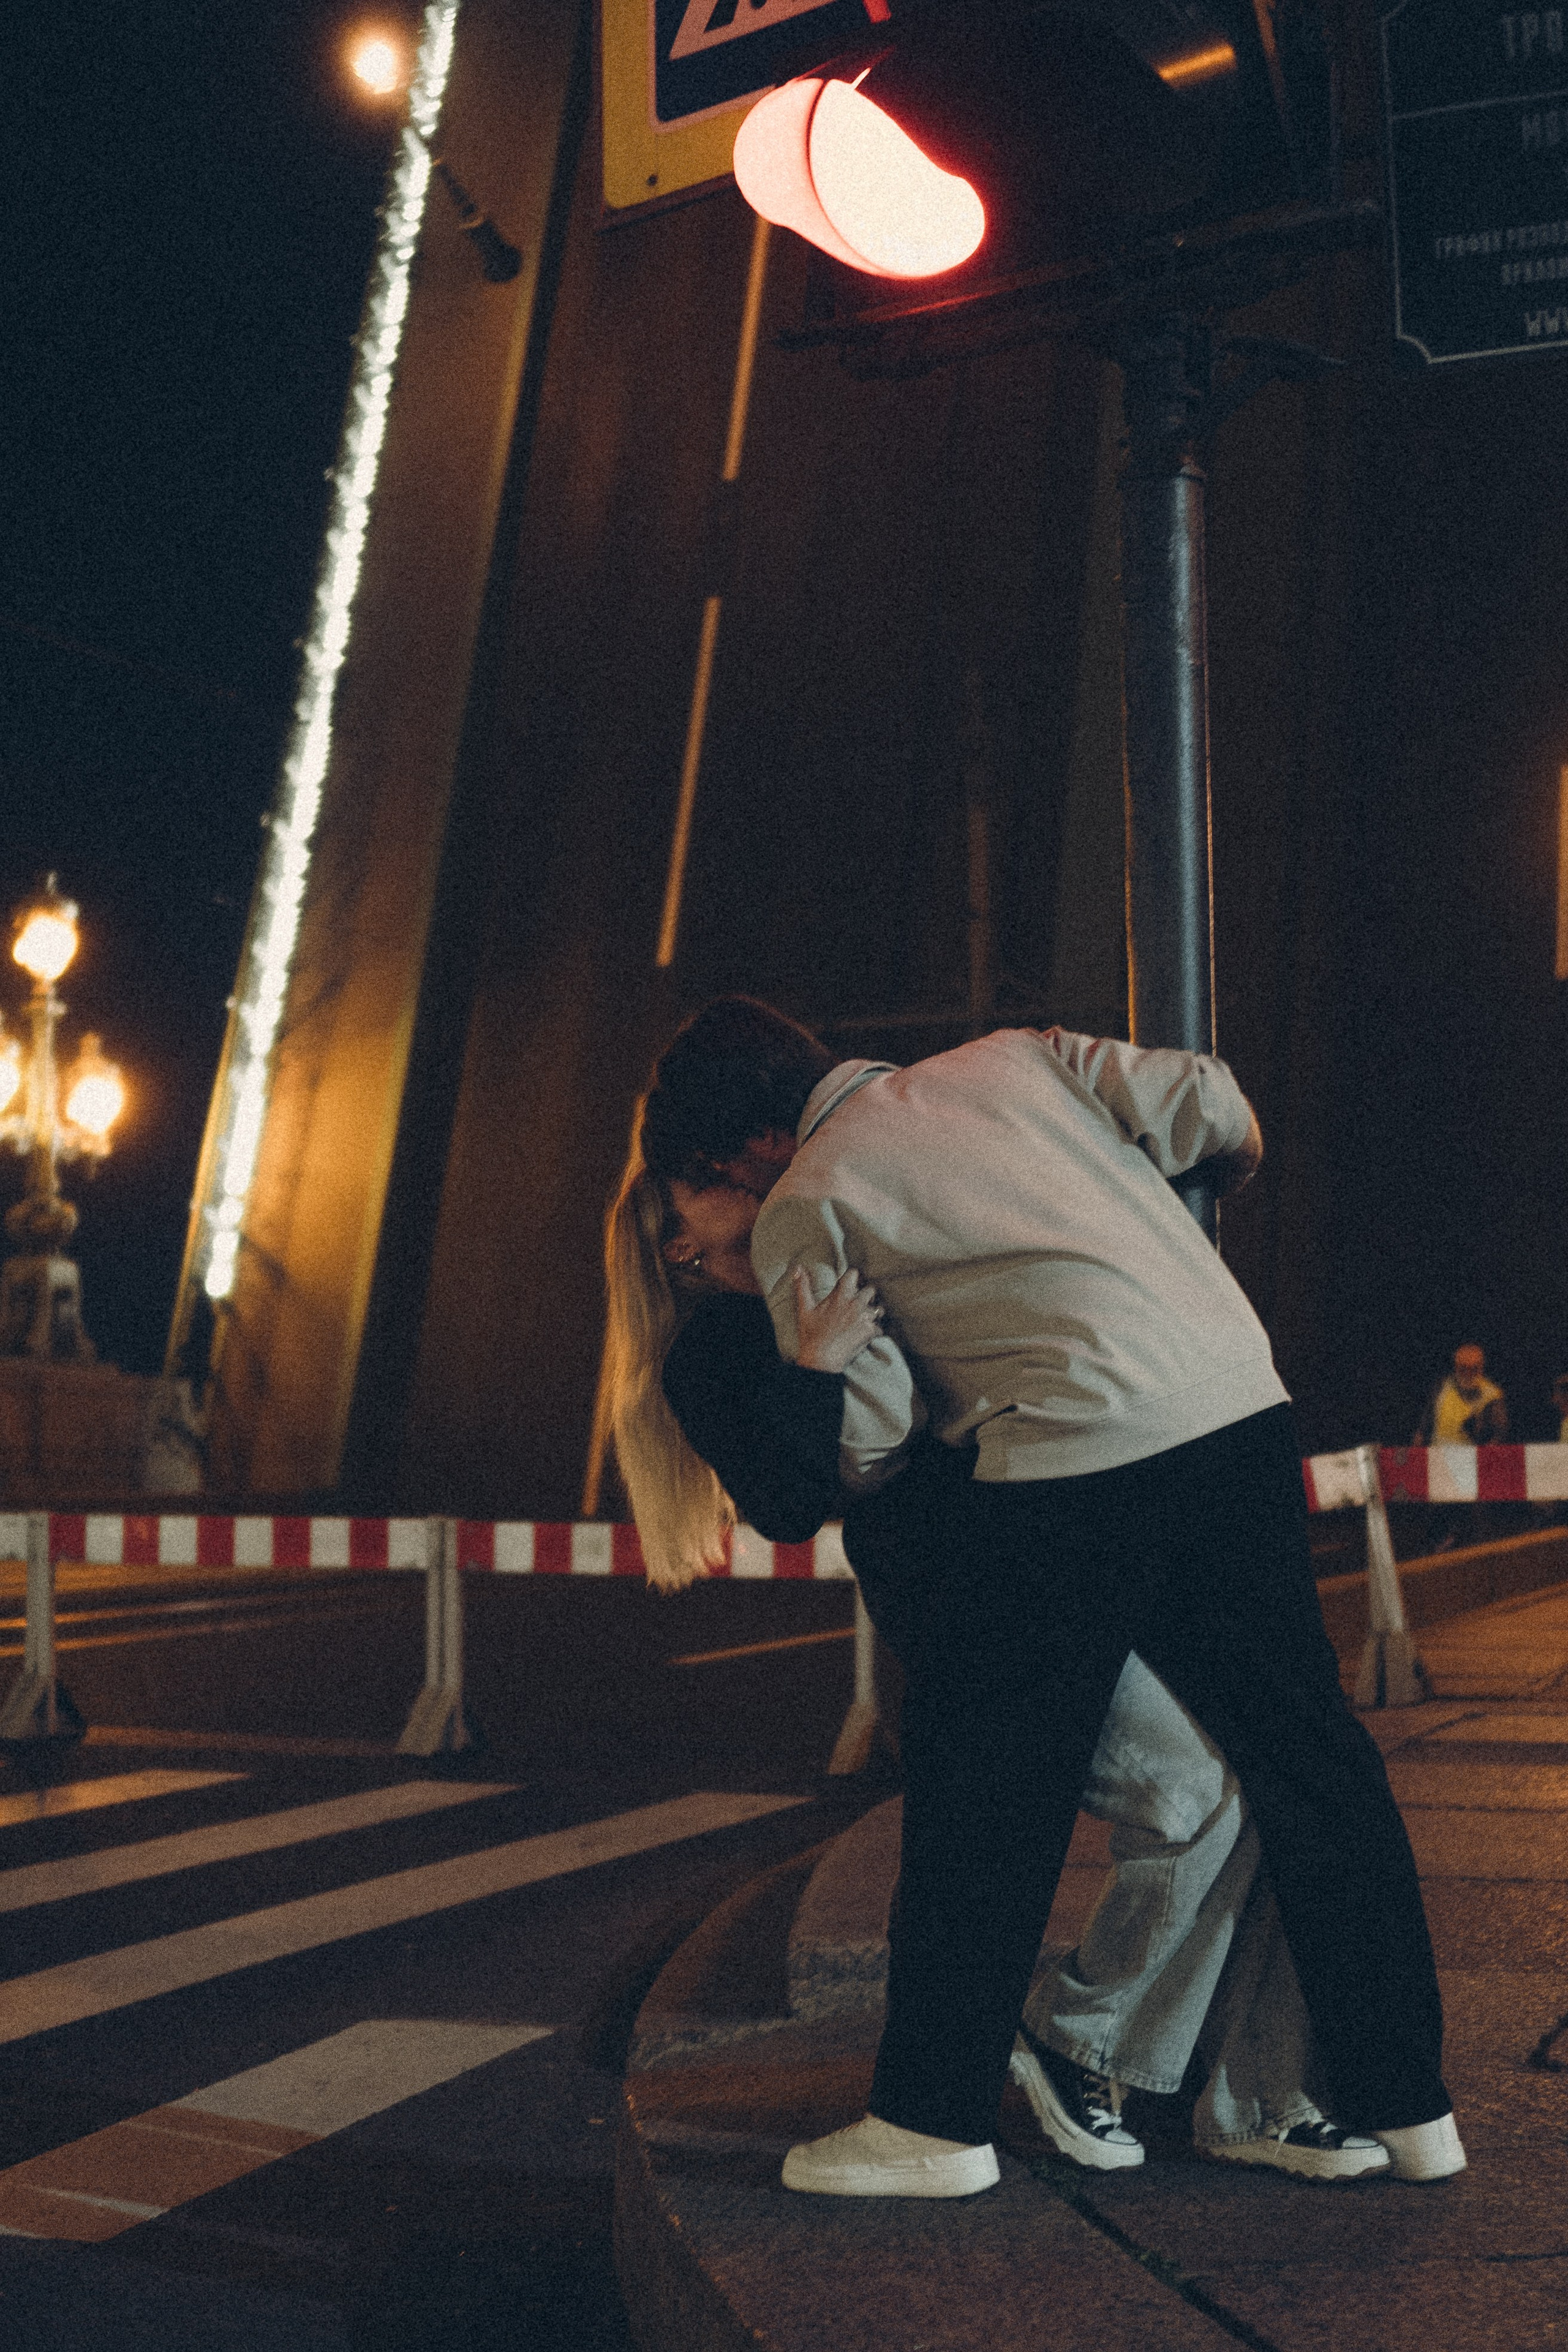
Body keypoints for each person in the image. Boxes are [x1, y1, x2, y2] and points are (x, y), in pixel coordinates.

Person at [636, 998, 1464, 2195]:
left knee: (985, 1794)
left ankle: (934, 2122)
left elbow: (868, 1443)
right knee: (1311, 1758)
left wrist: (883, 1369)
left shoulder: (812, 1196)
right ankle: (1410, 2110)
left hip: (1075, 1459)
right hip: (1238, 1402)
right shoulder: (1020, 1057)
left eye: (710, 1179)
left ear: (751, 1144)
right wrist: (1184, 1185)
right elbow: (1214, 1104)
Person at [1414, 1344, 1508, 1446]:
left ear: (1481, 1368)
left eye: (1474, 1369)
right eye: (1463, 1368)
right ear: (1456, 1367)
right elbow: (1424, 1426)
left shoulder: (1492, 1395)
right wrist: (1416, 1450)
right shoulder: (1442, 1387)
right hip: (1440, 1452)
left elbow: (1499, 1435)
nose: (1468, 1373)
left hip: (1470, 1454)